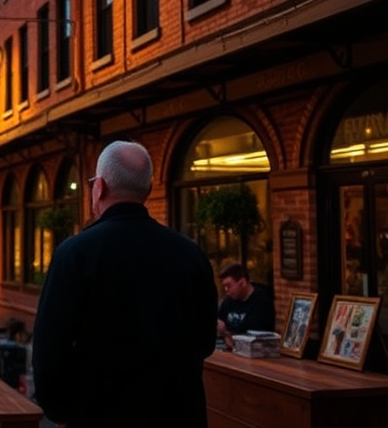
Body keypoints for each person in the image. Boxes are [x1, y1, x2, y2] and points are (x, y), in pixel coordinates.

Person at [32, 141, 218, 428]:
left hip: (98, 415)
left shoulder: (75, 254)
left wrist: (63, 412)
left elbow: (48, 353)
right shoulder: (190, 254)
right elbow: (205, 342)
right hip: (178, 415)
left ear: (100, 187)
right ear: (148, 189)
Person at [216, 262, 276, 348]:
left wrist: (226, 333)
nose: (226, 290)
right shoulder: (229, 300)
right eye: (224, 286)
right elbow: (220, 321)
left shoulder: (262, 302)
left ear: (242, 283)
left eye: (228, 286)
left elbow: (253, 336)